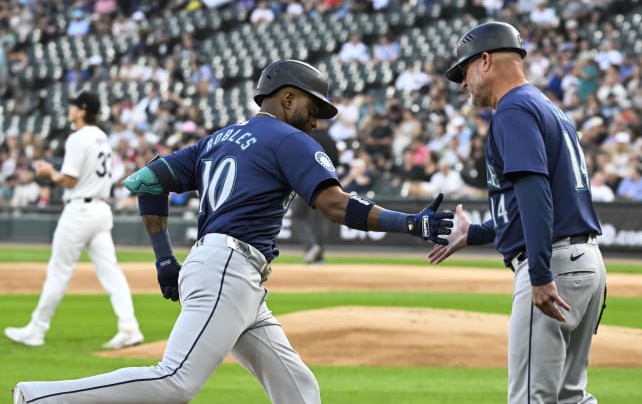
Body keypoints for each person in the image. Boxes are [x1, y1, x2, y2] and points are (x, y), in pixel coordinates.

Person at [11, 59, 453, 404]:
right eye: (312, 107)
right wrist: (411, 222)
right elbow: (334, 204)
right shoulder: (291, 139)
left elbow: (146, 182)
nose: (316, 121)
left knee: (299, 390)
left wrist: (165, 260)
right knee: (175, 382)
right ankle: (37, 397)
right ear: (286, 99)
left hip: (235, 275)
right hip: (229, 266)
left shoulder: (219, 138)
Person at [431, 22, 607, 404]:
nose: (463, 83)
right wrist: (476, 233)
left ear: (486, 61)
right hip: (585, 262)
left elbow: (535, 193)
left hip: (553, 264)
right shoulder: (547, 107)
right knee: (569, 398)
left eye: (464, 72)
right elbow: (541, 203)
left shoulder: (512, 111)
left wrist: (541, 273)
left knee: (531, 399)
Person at [5, 91, 143, 350]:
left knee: (59, 272)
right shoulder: (101, 136)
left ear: (81, 110)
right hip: (101, 210)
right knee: (111, 272)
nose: (70, 109)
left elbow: (68, 180)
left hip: (80, 210)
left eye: (73, 105)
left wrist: (49, 173)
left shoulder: (79, 138)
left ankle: (36, 329)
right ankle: (129, 326)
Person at [291, 122, 340, 264]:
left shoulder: (306, 137)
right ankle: (319, 256)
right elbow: (336, 163)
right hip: (327, 185)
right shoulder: (331, 140)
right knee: (320, 221)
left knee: (298, 217)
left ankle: (311, 246)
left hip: (307, 184)